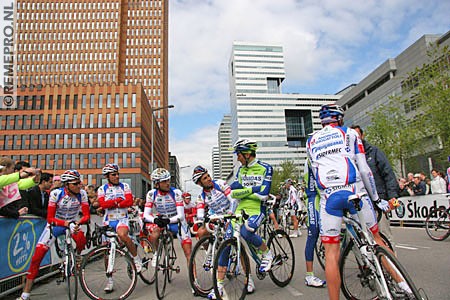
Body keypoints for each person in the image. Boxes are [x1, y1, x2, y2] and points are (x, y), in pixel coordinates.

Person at [305, 104, 408, 300]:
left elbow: (316, 174)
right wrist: (377, 199)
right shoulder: (350, 133)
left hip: (329, 198)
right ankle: (402, 284)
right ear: (340, 119)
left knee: (331, 253)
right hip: (354, 193)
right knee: (376, 238)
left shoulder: (311, 141)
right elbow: (364, 171)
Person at [16, 169, 90, 300]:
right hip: (55, 225)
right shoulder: (56, 193)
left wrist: (78, 222)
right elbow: (50, 218)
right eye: (75, 183)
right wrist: (66, 223)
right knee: (36, 258)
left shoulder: (82, 194)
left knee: (81, 240)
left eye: (79, 182)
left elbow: (87, 216)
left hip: (72, 224)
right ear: (66, 185)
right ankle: (25, 294)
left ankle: (77, 257)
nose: (79, 185)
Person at [190, 165, 241, 298]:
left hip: (232, 212)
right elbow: (201, 213)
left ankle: (248, 277)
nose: (209, 179)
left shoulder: (220, 184)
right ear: (200, 183)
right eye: (205, 178)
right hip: (218, 217)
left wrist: (230, 214)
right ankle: (210, 253)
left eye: (208, 176)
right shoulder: (201, 196)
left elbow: (233, 200)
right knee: (202, 232)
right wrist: (203, 220)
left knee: (232, 241)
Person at [229, 139, 274, 273]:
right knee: (232, 237)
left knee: (247, 230)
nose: (238, 158)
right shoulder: (241, 170)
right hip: (240, 209)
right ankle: (247, 278)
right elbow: (233, 193)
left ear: (247, 154)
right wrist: (253, 189)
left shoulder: (266, 168)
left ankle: (267, 253)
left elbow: (263, 195)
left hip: (257, 209)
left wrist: (243, 191)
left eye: (239, 155)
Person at [97, 163, 142, 292]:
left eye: (117, 174)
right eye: (113, 175)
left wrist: (112, 203)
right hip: (108, 220)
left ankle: (136, 259)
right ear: (107, 176)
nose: (117, 176)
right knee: (107, 251)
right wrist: (118, 202)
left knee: (123, 235)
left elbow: (129, 201)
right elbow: (102, 204)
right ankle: (109, 280)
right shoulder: (102, 189)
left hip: (122, 218)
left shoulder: (125, 186)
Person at [351, 125, 399, 243]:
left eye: (357, 136)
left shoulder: (374, 152)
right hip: (360, 204)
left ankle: (390, 260)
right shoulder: (349, 156)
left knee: (384, 235)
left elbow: (388, 174)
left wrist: (393, 197)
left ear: (362, 136)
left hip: (379, 201)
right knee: (362, 239)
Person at [143, 168, 192, 270]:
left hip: (177, 222)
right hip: (162, 221)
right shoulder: (151, 194)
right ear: (157, 184)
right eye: (164, 181)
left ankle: (194, 281)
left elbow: (181, 216)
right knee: (154, 233)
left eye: (168, 180)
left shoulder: (176, 192)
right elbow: (146, 215)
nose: (168, 183)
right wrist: (154, 220)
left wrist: (169, 220)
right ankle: (156, 253)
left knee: (188, 253)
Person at [303, 159, 326, 287]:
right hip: (314, 197)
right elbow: (316, 184)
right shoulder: (311, 158)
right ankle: (309, 275)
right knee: (313, 231)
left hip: (327, 193)